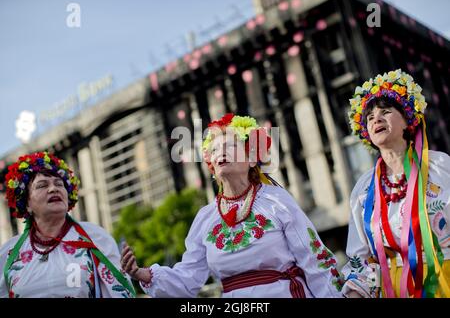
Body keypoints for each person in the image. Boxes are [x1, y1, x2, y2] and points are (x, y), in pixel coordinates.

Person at [121, 113, 344, 298]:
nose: (221, 154)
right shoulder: (206, 218)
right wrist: (143, 274)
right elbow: (188, 278)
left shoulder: (276, 200)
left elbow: (314, 260)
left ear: (251, 159)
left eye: (229, 146)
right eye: (215, 150)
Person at [342, 69, 450, 298]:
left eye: (386, 112)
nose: (376, 119)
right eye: (370, 118)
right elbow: (361, 259)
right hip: (396, 290)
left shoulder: (440, 167)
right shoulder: (363, 190)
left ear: (408, 120)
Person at [0, 151, 135, 298]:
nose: (54, 189)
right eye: (42, 185)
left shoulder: (95, 237)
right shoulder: (8, 253)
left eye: (59, 184)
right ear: (27, 204)